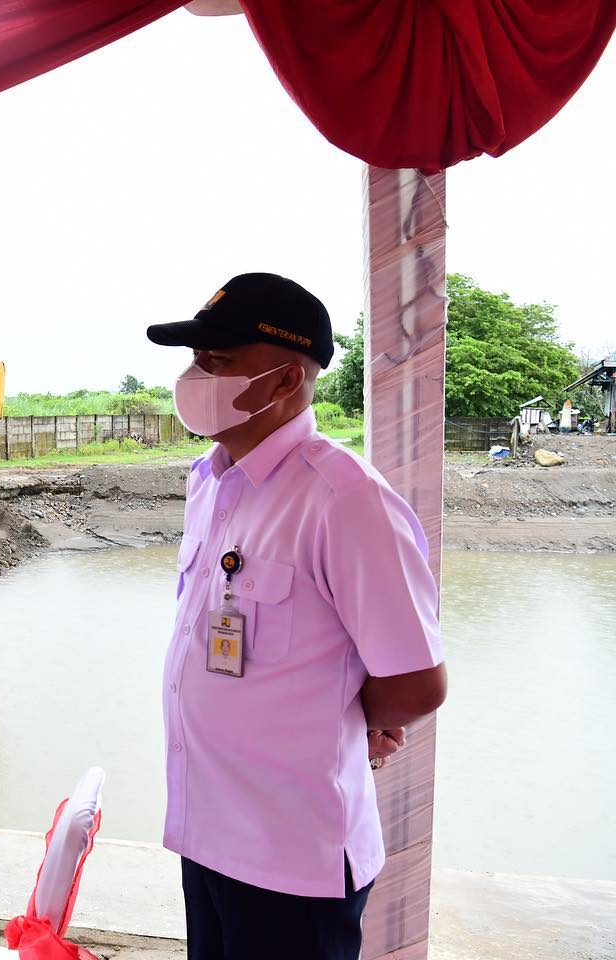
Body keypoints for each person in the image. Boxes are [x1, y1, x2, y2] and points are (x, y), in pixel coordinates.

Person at [146, 273, 448, 960]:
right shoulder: (210, 481)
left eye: (218, 363)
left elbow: (416, 683)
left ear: (285, 383)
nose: (196, 377)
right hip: (209, 833)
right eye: (195, 361)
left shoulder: (344, 500)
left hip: (293, 860)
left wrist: (340, 714)